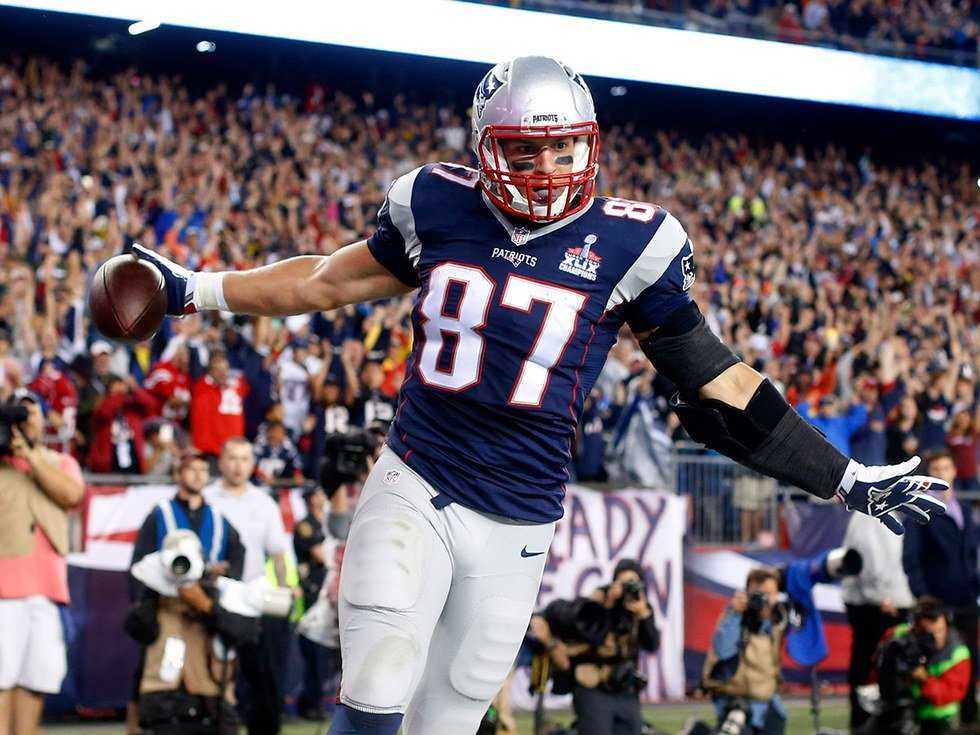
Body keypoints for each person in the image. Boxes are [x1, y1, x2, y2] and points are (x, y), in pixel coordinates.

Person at [132, 55, 947, 735]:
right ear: (486, 148)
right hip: (418, 477)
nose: (548, 171)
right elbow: (321, 280)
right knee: (376, 684)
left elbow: (720, 379)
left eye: (564, 151)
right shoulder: (434, 201)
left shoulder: (635, 242)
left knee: (449, 716)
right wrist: (193, 289)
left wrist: (844, 477)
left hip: (522, 517)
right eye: (526, 152)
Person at [125, 450, 251, 735]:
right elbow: (139, 567)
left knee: (211, 685)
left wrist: (219, 588)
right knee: (158, 682)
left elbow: (236, 557)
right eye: (191, 469)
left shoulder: (218, 519)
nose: (198, 476)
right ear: (178, 474)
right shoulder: (160, 514)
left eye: (203, 470)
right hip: (166, 612)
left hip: (205, 615)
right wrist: (147, 611)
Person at [0, 391, 84, 735]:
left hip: (48, 591)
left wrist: (30, 456)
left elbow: (72, 495)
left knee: (37, 681)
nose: (25, 422)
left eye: (30, 414)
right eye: (17, 416)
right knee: (1, 681)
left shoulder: (60, 462)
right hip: (4, 592)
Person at [202, 437, 291, 735]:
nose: (237, 466)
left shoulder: (264, 503)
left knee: (261, 675)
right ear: (221, 462)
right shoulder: (207, 499)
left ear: (252, 464)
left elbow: (278, 553)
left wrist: (284, 591)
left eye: (244, 459)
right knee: (213, 670)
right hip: (213, 596)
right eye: (232, 458)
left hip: (254, 596)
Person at [531, 559, 660, 735]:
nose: (627, 590)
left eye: (632, 584)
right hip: (593, 686)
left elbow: (652, 644)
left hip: (625, 689)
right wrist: (608, 605)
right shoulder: (597, 603)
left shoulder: (640, 607)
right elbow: (592, 635)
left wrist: (643, 613)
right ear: (614, 582)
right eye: (623, 584)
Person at [902, 449, 979, 725]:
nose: (942, 474)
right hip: (936, 602)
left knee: (969, 659)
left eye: (946, 468)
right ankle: (934, 723)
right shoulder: (919, 511)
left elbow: (970, 555)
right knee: (935, 662)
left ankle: (969, 719)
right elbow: (911, 558)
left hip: (966, 598)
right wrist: (923, 596)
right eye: (936, 469)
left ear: (955, 471)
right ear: (928, 475)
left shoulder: (964, 510)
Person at [842, 511, 916, 729]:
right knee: (872, 666)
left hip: (882, 601)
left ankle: (877, 721)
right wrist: (883, 597)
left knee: (878, 665)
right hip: (877, 605)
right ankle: (866, 722)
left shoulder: (880, 511)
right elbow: (867, 561)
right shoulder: (870, 514)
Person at [702, 568, 787, 735]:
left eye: (771, 594)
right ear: (747, 594)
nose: (766, 600)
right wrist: (735, 613)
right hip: (737, 703)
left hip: (768, 705)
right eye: (760, 595)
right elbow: (722, 651)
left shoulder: (776, 621)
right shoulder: (735, 617)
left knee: (778, 718)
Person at [871, 597, 971, 735]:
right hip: (894, 709)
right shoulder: (899, 635)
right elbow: (877, 664)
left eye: (939, 630)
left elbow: (951, 693)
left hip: (936, 717)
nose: (935, 637)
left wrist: (923, 678)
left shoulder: (958, 653)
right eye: (926, 632)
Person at [294, 487, 331, 721]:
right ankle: (308, 704)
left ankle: (315, 702)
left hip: (328, 592)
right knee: (314, 650)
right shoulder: (306, 525)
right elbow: (322, 555)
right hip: (313, 593)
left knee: (324, 656)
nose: (321, 498)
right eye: (317, 494)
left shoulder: (326, 522)